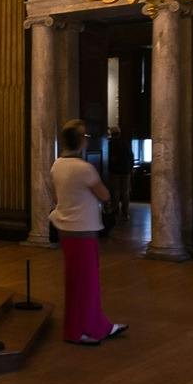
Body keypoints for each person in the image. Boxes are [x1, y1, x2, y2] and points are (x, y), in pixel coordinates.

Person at [49, 119, 125, 346]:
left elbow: (55, 197)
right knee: (85, 283)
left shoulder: (57, 165)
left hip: (67, 229)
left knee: (81, 282)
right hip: (83, 230)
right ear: (81, 142)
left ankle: (98, 325)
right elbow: (104, 195)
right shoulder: (84, 169)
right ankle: (76, 331)